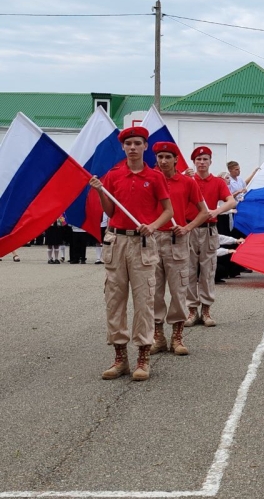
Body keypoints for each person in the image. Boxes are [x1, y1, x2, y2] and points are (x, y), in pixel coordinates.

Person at [89, 127, 173, 381]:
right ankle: (120, 357)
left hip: (143, 243)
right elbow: (110, 211)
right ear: (123, 147)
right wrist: (100, 190)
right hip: (116, 241)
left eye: (137, 143)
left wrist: (154, 226)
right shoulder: (114, 175)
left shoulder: (155, 177)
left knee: (144, 302)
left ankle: (143, 357)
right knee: (114, 300)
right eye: (128, 143)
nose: (133, 147)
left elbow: (168, 211)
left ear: (146, 146)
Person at [151, 142, 209, 357]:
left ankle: (177, 336)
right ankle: (158, 337)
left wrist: (187, 227)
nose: (163, 161)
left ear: (176, 159)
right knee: (153, 291)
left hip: (177, 239)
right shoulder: (149, 180)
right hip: (153, 239)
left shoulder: (187, 182)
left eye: (168, 157)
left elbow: (204, 212)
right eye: (160, 157)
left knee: (179, 290)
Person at [185, 146, 237, 327]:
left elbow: (231, 201)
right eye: (198, 160)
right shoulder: (187, 180)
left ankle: (206, 309)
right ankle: (192, 310)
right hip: (189, 228)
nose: (201, 163)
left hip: (209, 229)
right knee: (189, 271)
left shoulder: (217, 182)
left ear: (210, 162)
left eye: (205, 159)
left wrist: (217, 210)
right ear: (194, 162)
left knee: (207, 270)